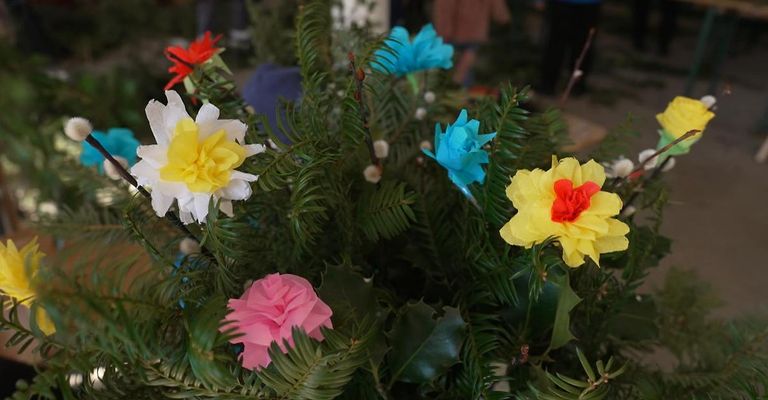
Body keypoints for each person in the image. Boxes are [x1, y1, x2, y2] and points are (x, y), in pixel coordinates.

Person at [433, 0, 510, 88]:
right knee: (465, 68)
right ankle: (458, 87)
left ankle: (456, 87)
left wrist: (442, 33)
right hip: (475, 35)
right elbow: (501, 16)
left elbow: (442, 10)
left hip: (453, 36)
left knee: (456, 70)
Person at [537, 0, 601, 96]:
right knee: (556, 43)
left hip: (589, 4)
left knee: (582, 45)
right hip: (562, 4)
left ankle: (576, 84)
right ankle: (548, 83)